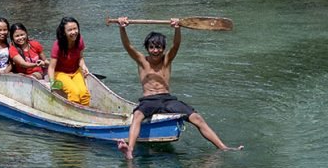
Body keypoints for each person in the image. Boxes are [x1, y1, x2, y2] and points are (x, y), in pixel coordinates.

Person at [114, 16, 243, 159]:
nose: (155, 51)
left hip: (167, 99)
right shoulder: (142, 61)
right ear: (147, 48)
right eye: (152, 47)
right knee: (137, 116)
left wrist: (177, 29)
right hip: (149, 100)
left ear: (163, 49)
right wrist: (122, 28)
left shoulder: (167, 61)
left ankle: (223, 147)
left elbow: (175, 46)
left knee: (197, 118)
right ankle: (129, 150)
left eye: (158, 47)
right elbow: (128, 46)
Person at [47, 17, 91, 106]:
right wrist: (52, 83)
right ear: (64, 32)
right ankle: (74, 113)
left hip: (75, 71)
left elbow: (80, 58)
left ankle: (86, 113)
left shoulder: (80, 40)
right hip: (60, 73)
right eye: (70, 30)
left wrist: (83, 66)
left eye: (75, 29)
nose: (74, 32)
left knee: (84, 93)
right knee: (74, 92)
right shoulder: (58, 45)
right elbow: (51, 67)